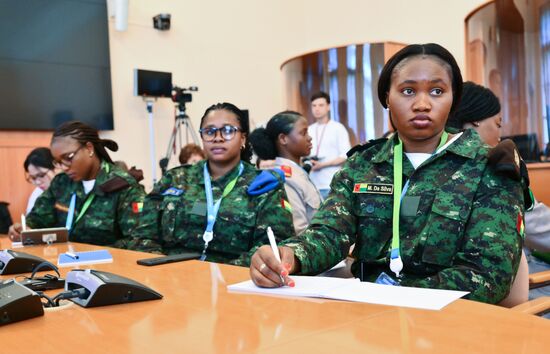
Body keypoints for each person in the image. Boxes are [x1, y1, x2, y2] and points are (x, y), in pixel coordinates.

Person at [249, 43, 525, 304]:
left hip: (447, 318)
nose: (422, 104)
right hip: (365, 314)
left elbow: (490, 273)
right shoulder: (363, 164)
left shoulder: (488, 166)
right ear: (386, 98)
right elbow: (331, 233)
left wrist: (396, 297)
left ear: (454, 100)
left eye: (437, 91)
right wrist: (290, 256)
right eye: (407, 91)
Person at [125, 102, 295, 266]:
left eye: (228, 131)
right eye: (209, 131)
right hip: (170, 279)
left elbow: (272, 248)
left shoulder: (263, 185)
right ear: (202, 137)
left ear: (243, 138)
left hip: (235, 283)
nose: (218, 138)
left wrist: (215, 276)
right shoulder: (175, 179)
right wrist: (165, 269)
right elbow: (142, 236)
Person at [447, 81, 550, 304]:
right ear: (475, 120)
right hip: (510, 295)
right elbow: (541, 229)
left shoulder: (425, 165)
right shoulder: (498, 168)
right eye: (498, 123)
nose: (500, 135)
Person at [7, 121, 146, 246]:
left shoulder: (123, 186)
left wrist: (90, 254)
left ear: (89, 149)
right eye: (58, 162)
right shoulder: (61, 183)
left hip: (106, 268)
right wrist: (24, 229)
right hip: (62, 263)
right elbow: (37, 219)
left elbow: (139, 240)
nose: (64, 167)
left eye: (68, 158)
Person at [249, 110, 322, 235]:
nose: (309, 138)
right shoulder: (285, 178)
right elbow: (299, 230)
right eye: (303, 133)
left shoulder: (297, 173)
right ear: (283, 139)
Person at [307, 91, 351, 199]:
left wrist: (323, 165)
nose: (317, 109)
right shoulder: (309, 129)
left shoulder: (338, 128)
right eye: (314, 106)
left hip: (331, 183)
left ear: (328, 107)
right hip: (312, 184)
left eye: (321, 105)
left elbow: (345, 155)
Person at [23, 147, 58, 214]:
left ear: (56, 167)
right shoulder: (37, 194)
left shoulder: (72, 189)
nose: (37, 182)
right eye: (33, 178)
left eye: (41, 175)